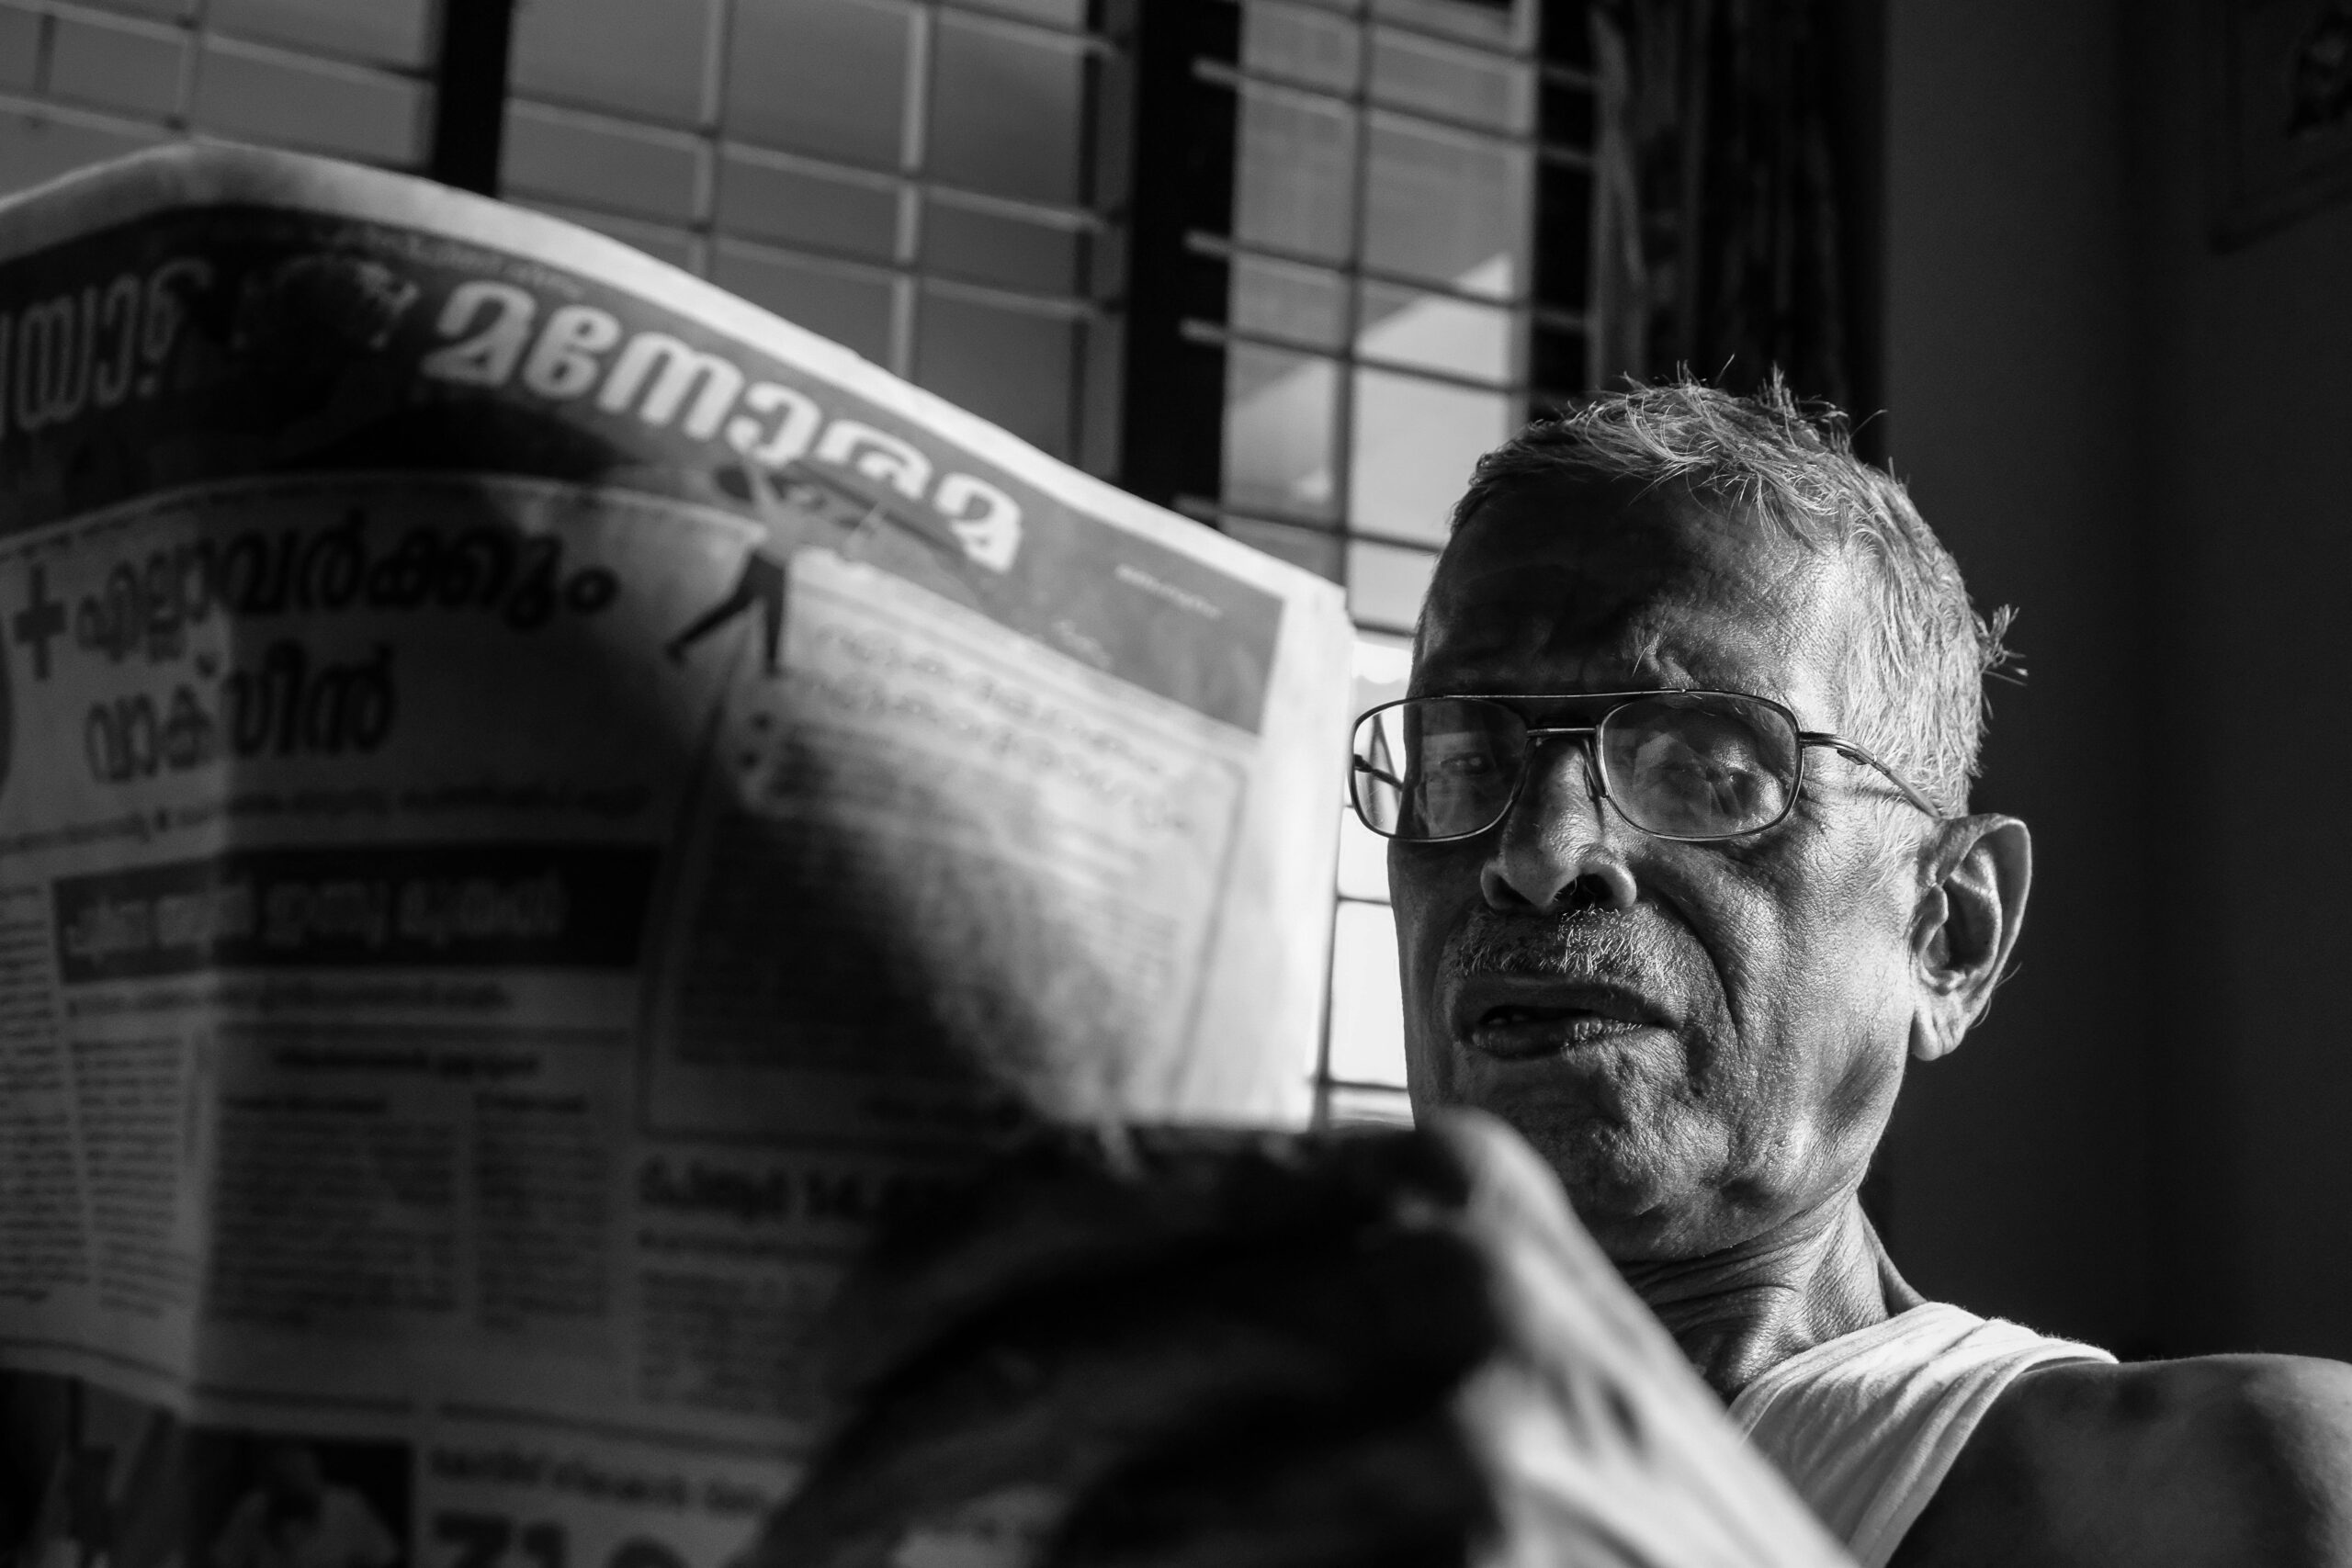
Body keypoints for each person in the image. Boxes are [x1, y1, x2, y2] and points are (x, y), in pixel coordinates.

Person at [761, 378, 2352, 1568]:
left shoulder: (2241, 1487)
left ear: (1951, 933)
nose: (1533, 853)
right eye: (1469, 753)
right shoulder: (1173, 1472)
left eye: (1709, 764)